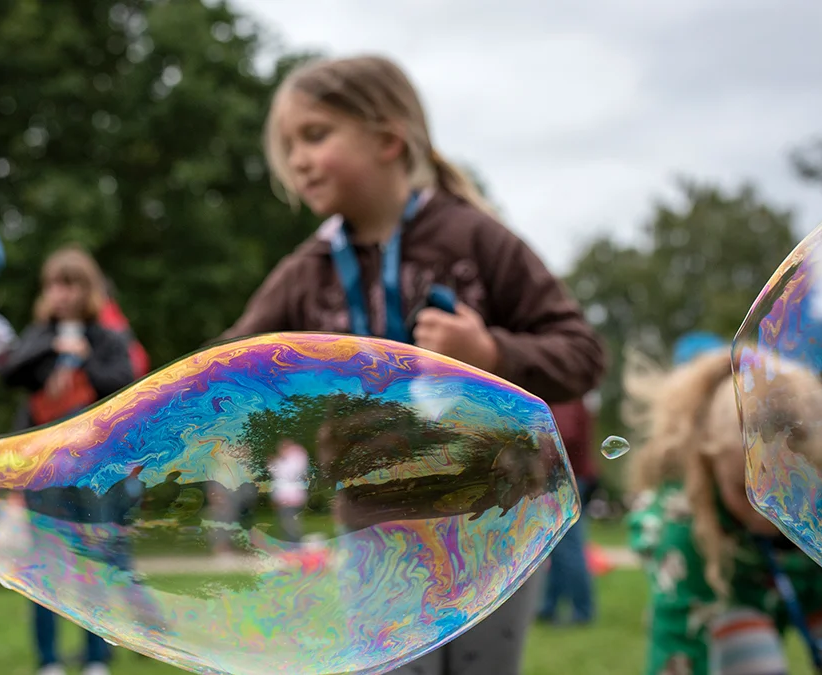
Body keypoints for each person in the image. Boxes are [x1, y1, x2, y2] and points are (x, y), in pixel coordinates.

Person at [220, 55, 606, 675]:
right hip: (376, 520)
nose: (296, 160)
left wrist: (490, 354)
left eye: (314, 136)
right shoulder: (305, 273)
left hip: (497, 513)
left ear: (388, 140)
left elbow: (584, 354)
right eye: (287, 145)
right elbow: (227, 370)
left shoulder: (475, 240)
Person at [625, 340, 822, 674]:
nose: (767, 512)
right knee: (748, 648)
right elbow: (679, 646)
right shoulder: (681, 529)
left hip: (799, 573)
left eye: (789, 490)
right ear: (709, 464)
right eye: (746, 490)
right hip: (718, 578)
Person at [0, 246, 135, 675]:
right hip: (44, 467)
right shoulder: (38, 335)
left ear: (87, 288)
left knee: (96, 556)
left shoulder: (107, 338)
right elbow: (10, 373)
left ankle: (97, 659)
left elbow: (124, 385)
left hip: (96, 468)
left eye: (70, 283)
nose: (61, 293)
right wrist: (52, 349)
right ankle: (49, 660)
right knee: (44, 559)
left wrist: (85, 356)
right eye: (54, 284)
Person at [537, 398, 598, 625]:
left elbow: (564, 433)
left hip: (562, 479)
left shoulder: (563, 394)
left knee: (568, 548)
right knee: (556, 546)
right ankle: (548, 607)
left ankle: (583, 611)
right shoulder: (571, 394)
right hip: (565, 477)